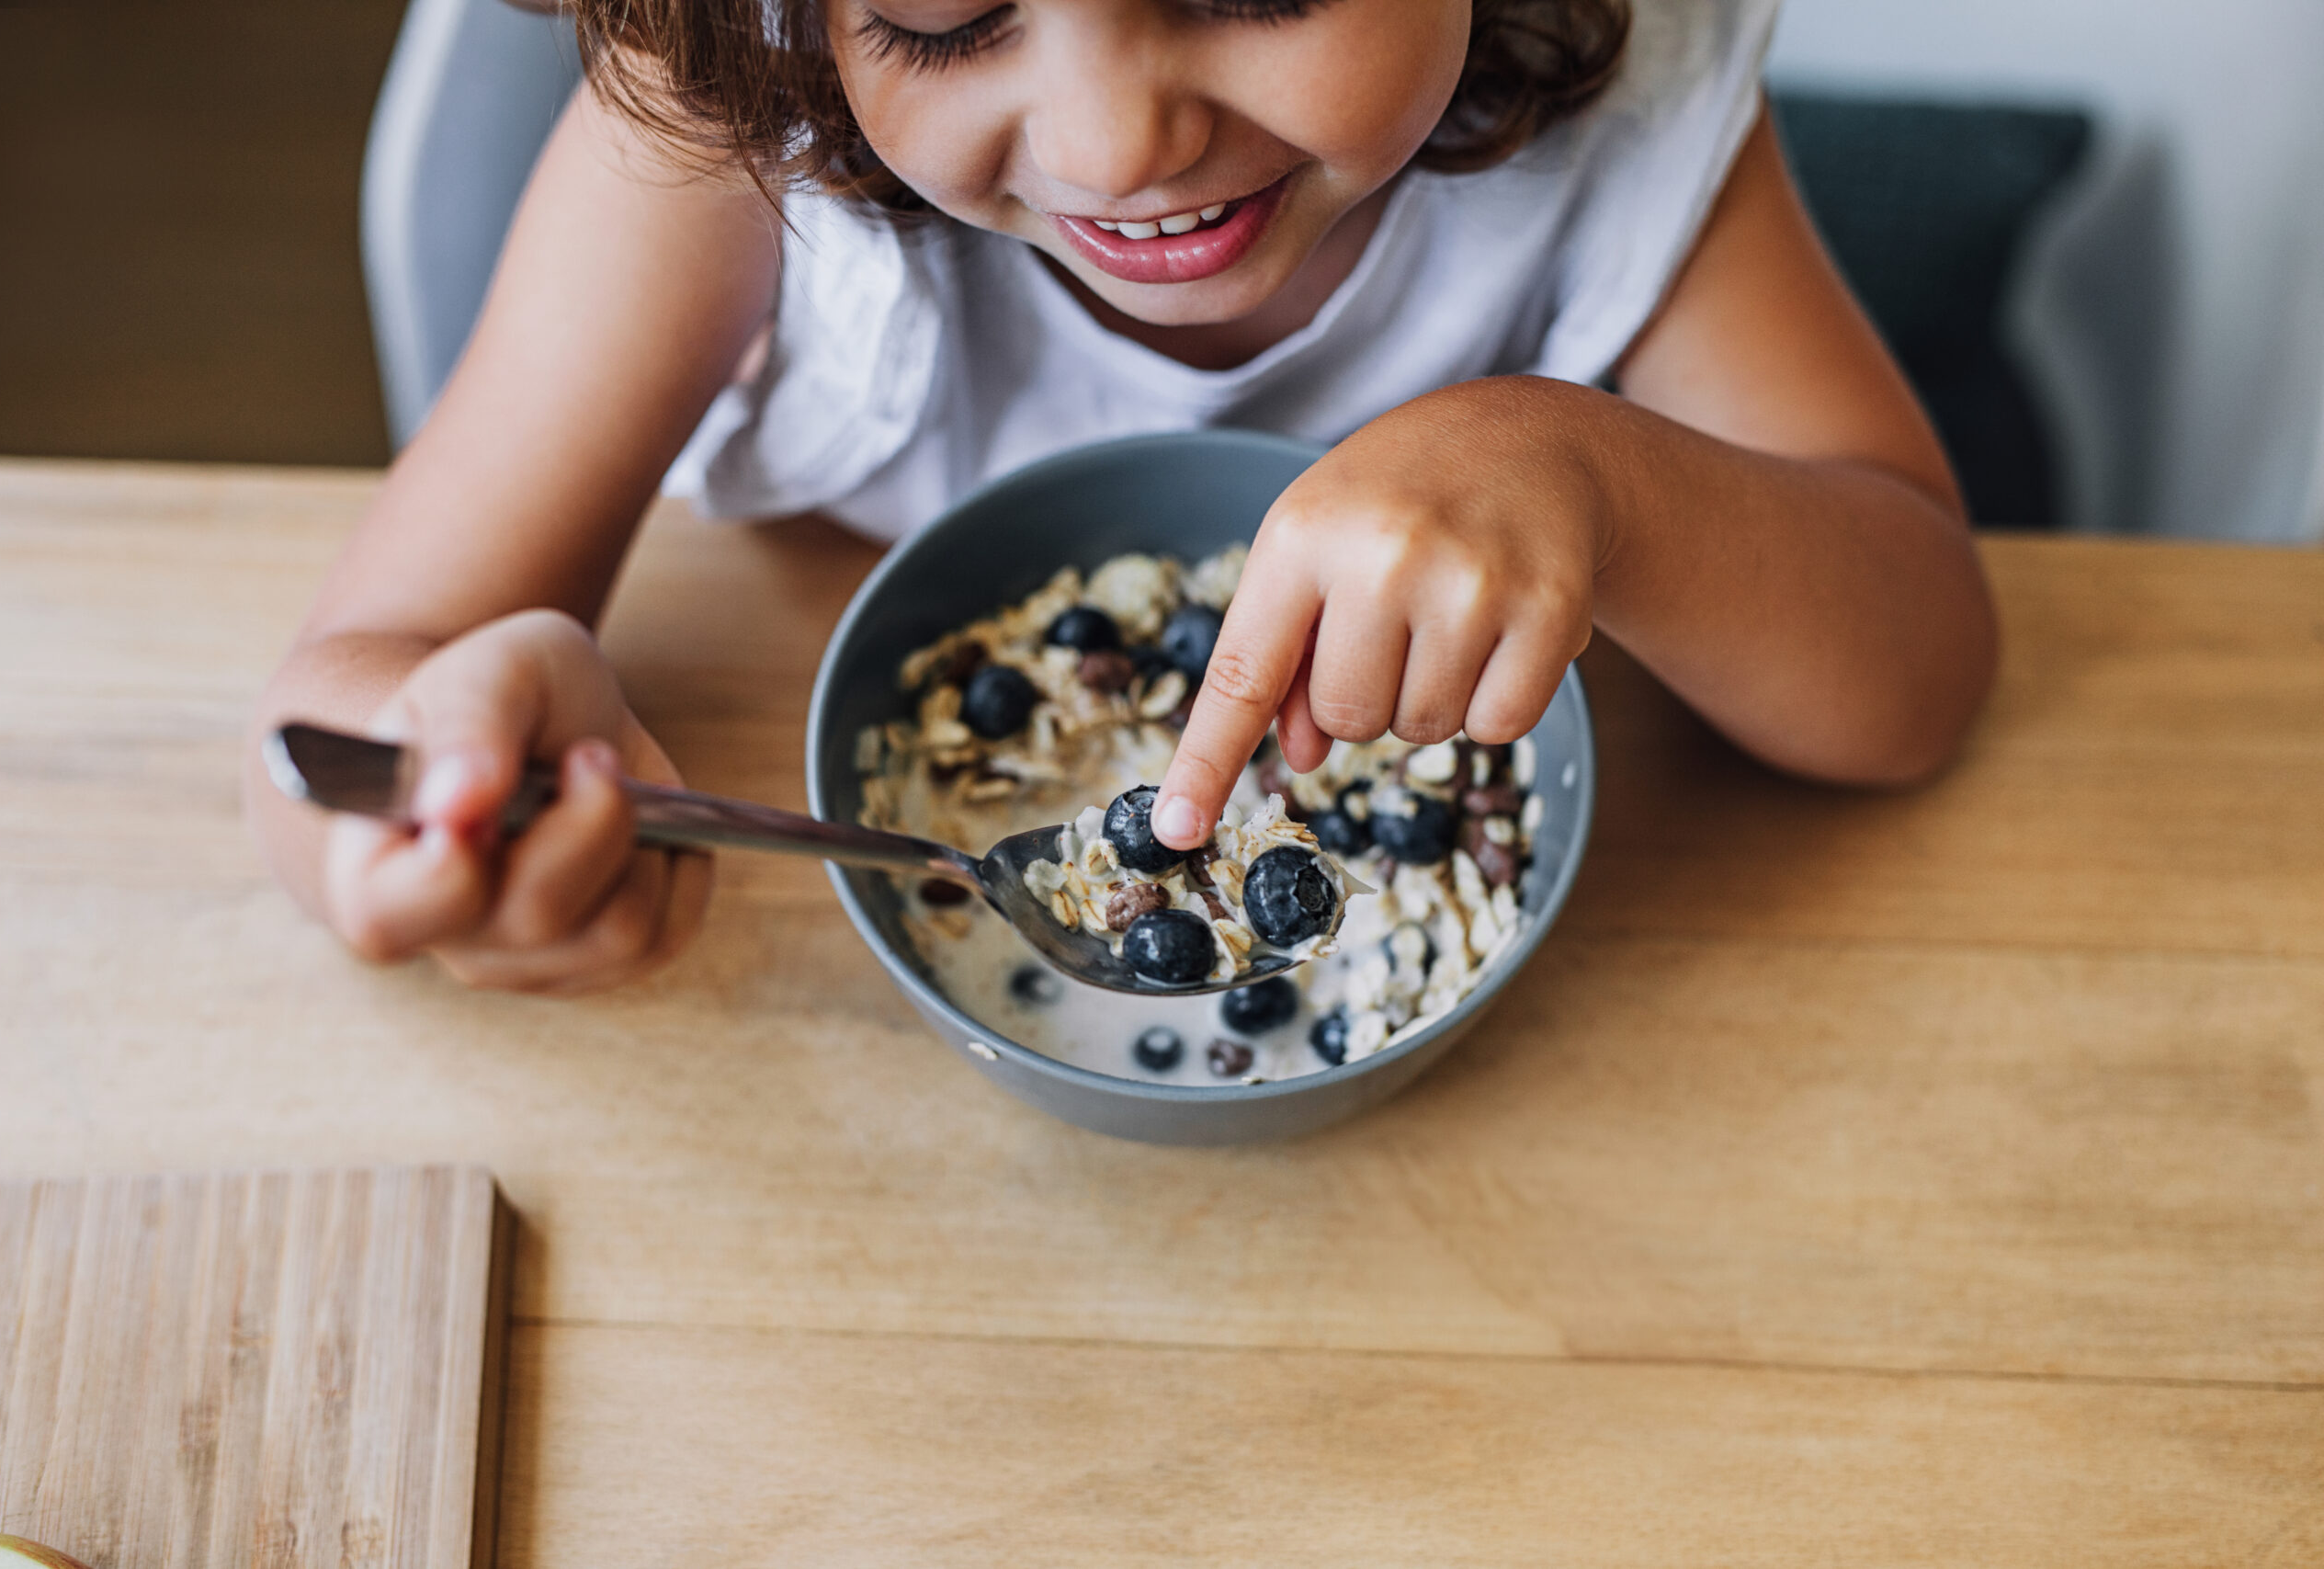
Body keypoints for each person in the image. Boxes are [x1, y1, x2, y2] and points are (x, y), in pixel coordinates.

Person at [245, 0, 1997, 995]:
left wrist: (1605, 478)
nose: (1111, 144)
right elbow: (335, 704)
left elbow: (1919, 669)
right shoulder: (721, 163)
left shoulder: (1623, 117)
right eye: (942, 17)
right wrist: (426, 802)